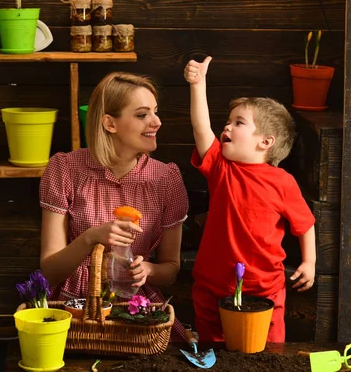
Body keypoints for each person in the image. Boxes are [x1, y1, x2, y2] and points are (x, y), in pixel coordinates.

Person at [39, 72, 189, 341]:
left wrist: (149, 271)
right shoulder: (64, 169)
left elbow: (171, 270)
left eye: (155, 112)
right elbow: (49, 271)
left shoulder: (167, 178)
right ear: (110, 123)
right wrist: (91, 237)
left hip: (136, 312)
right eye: (142, 115)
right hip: (73, 310)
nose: (157, 122)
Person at [184, 56, 317, 342]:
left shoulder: (283, 182)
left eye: (239, 122)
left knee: (268, 350)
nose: (227, 127)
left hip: (263, 286)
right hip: (213, 284)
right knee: (213, 349)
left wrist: (310, 263)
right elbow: (201, 129)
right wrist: (198, 85)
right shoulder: (221, 167)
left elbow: (304, 224)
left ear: (265, 141)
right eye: (229, 121)